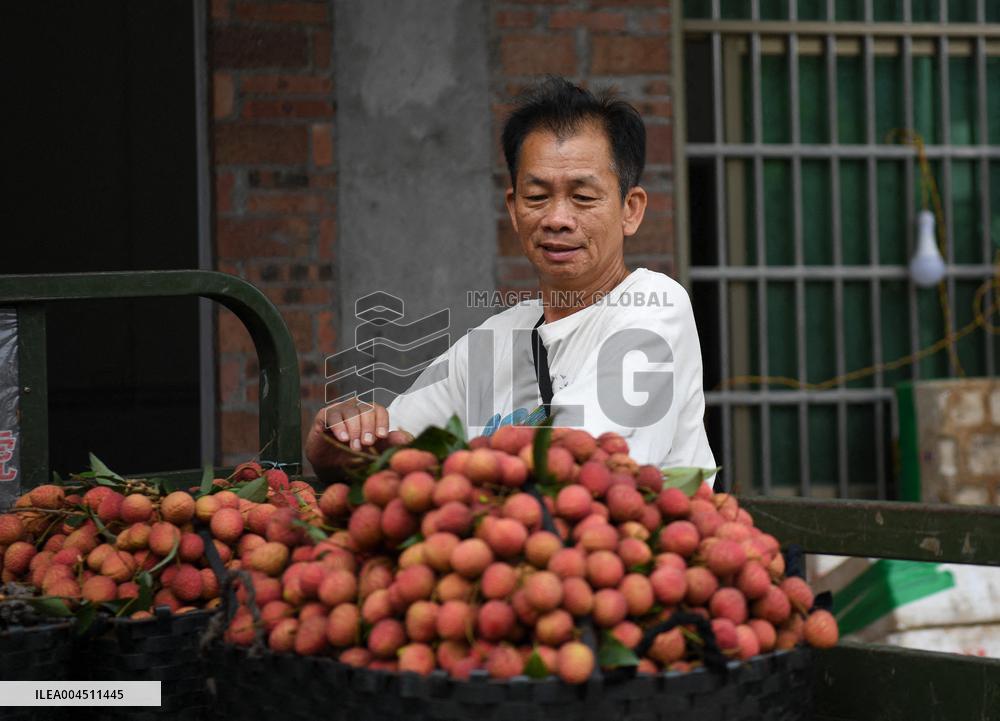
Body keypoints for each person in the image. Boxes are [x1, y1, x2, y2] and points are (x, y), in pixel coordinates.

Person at [306, 77, 716, 481]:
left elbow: (575, 469)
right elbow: (389, 450)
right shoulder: (496, 341)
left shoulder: (657, 307)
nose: (557, 219)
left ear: (631, 209)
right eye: (537, 197)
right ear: (514, 208)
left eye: (583, 197)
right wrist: (341, 441)